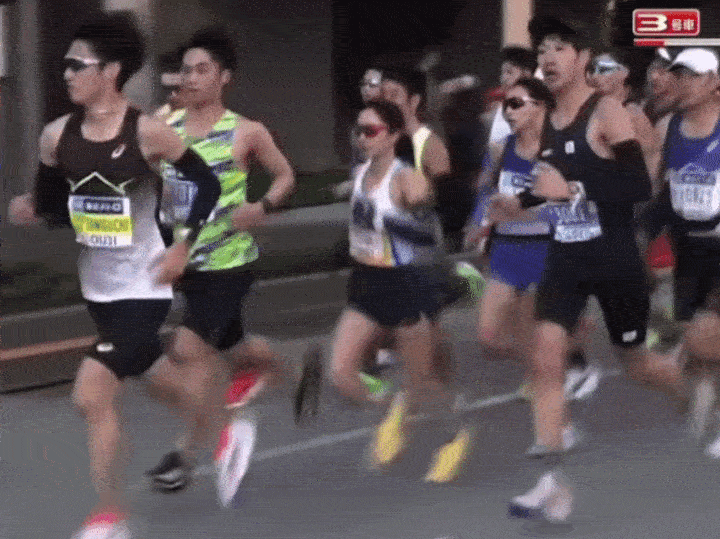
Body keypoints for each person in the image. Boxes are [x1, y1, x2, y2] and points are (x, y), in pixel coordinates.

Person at [7, 13, 227, 539]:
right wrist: (32, 207)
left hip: (145, 284)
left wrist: (182, 246)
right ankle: (223, 421)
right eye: (65, 64)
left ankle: (111, 516)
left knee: (91, 394)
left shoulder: (147, 133)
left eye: (77, 64)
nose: (66, 73)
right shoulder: (56, 137)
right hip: (99, 289)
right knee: (157, 376)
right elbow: (57, 206)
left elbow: (206, 185)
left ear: (110, 71)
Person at [507, 15, 688, 522]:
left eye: (559, 47)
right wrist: (517, 203)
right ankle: (552, 485)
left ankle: (696, 393)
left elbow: (636, 186)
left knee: (638, 364)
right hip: (566, 256)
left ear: (583, 57)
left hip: (614, 258)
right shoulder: (548, 117)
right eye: (542, 49)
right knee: (546, 357)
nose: (547, 57)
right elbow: (553, 182)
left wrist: (571, 190)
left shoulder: (606, 111)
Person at [142, 27, 297, 497]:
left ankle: (189, 453)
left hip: (229, 263)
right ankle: (289, 367)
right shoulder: (164, 127)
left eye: (202, 70)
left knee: (188, 349)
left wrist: (262, 206)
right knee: (234, 347)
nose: (191, 77)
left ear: (224, 77)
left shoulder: (246, 131)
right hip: (184, 263)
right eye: (186, 70)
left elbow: (285, 176)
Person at [326, 99, 447, 470]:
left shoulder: (407, 179)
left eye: (371, 131)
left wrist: (399, 222)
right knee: (341, 373)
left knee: (423, 384)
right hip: (365, 282)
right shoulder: (361, 172)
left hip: (401, 284)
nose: (362, 138)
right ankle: (392, 413)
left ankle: (453, 429)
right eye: (358, 131)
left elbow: (428, 235)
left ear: (393, 135)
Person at [646, 48, 720, 452]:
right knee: (699, 338)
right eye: (680, 75)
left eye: (693, 76)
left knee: (705, 333)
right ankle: (709, 399)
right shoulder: (668, 126)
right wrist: (643, 232)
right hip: (688, 249)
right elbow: (664, 191)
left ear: (714, 82)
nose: (684, 83)